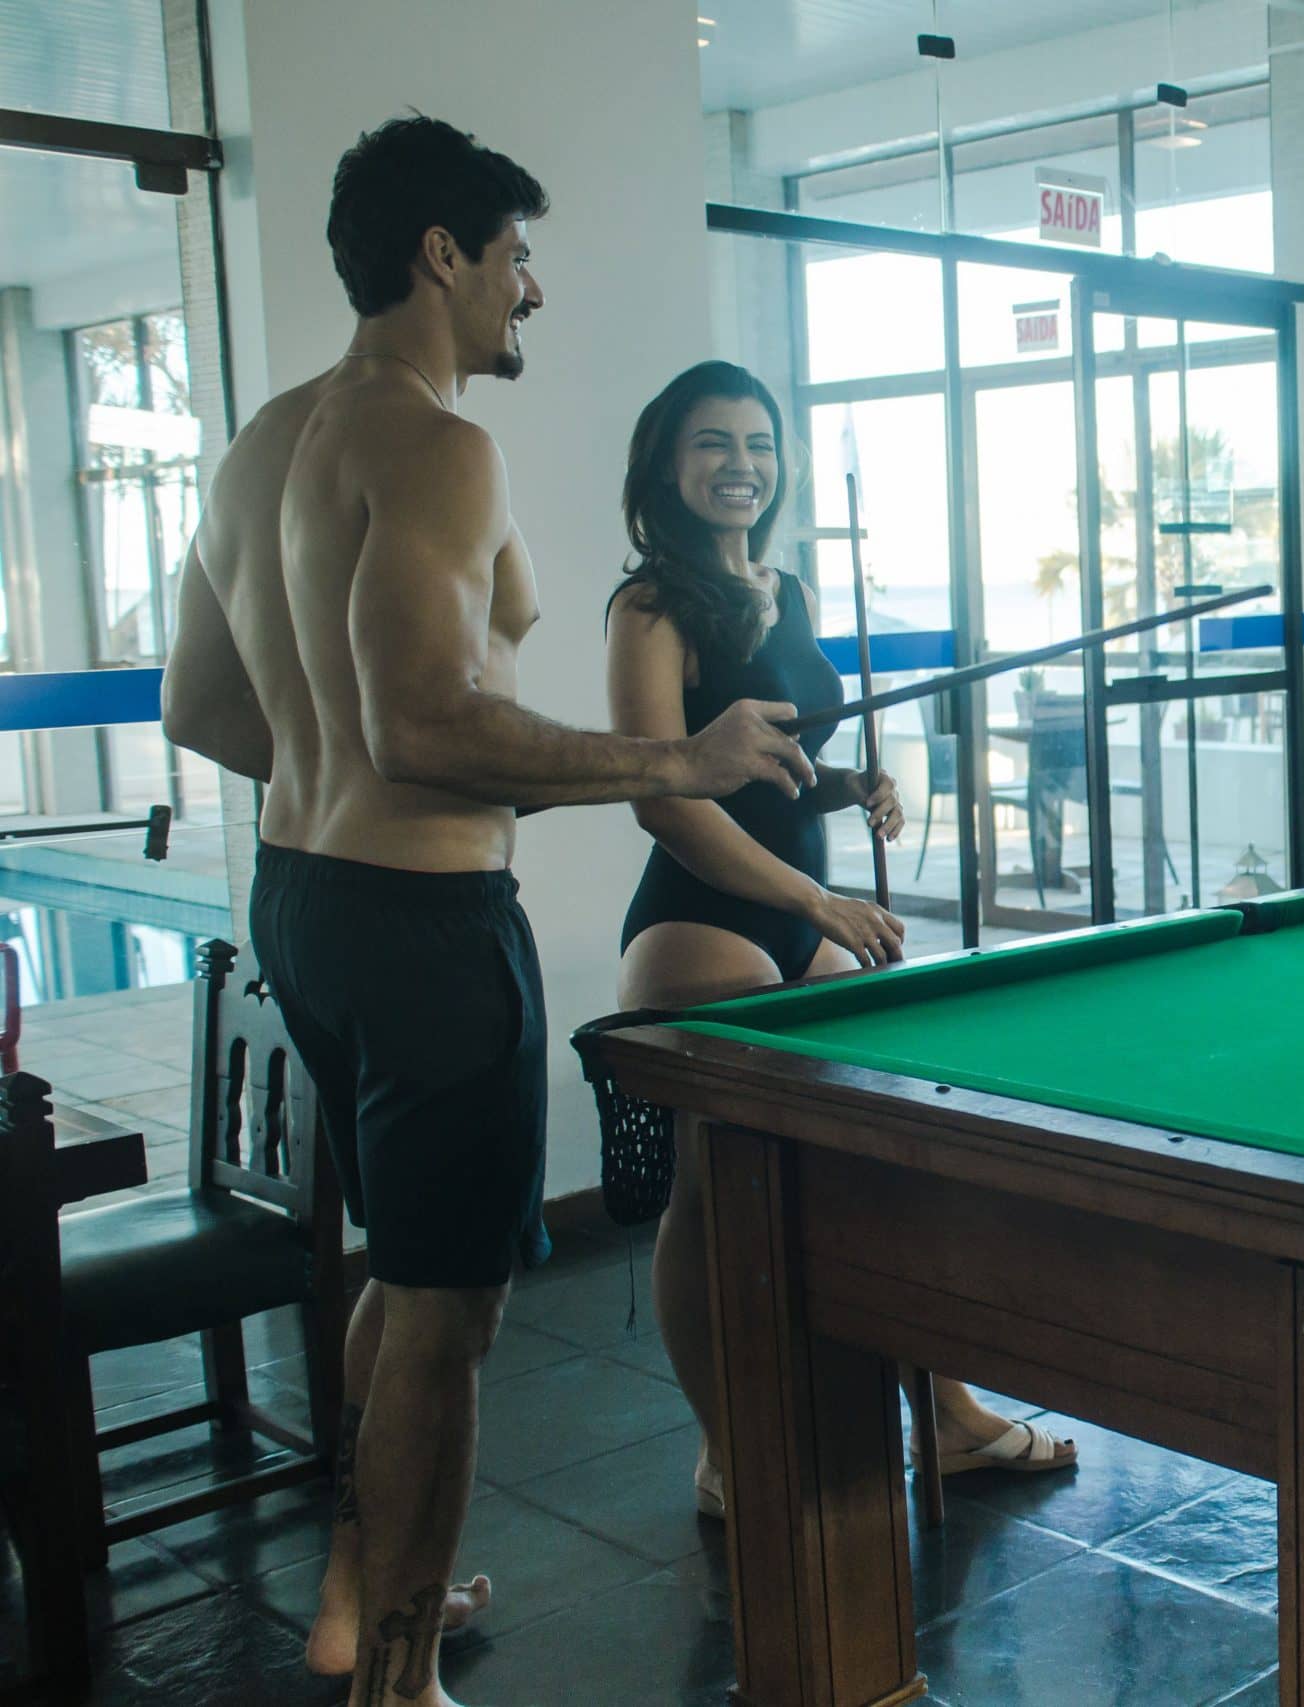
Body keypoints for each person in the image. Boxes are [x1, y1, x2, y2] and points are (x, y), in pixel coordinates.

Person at [161, 116, 814, 1707]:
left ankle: (367, 1585)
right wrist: (682, 753)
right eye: (516, 256)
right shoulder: (439, 444)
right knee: (453, 1317)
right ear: (441, 255)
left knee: (406, 1262)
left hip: (302, 895)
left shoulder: (263, 443)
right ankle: (396, 1676)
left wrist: (348, 777)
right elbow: (431, 725)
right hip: (428, 925)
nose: (533, 289)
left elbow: (202, 701)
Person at [606, 361, 1074, 1520]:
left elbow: (774, 771)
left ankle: (948, 1417)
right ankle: (723, 1452)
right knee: (708, 1202)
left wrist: (849, 783)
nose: (739, 466)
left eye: (758, 443)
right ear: (669, 463)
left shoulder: (786, 589)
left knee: (882, 1164)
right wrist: (816, 905)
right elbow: (665, 796)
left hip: (795, 911)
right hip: (700, 924)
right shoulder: (650, 606)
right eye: (712, 444)